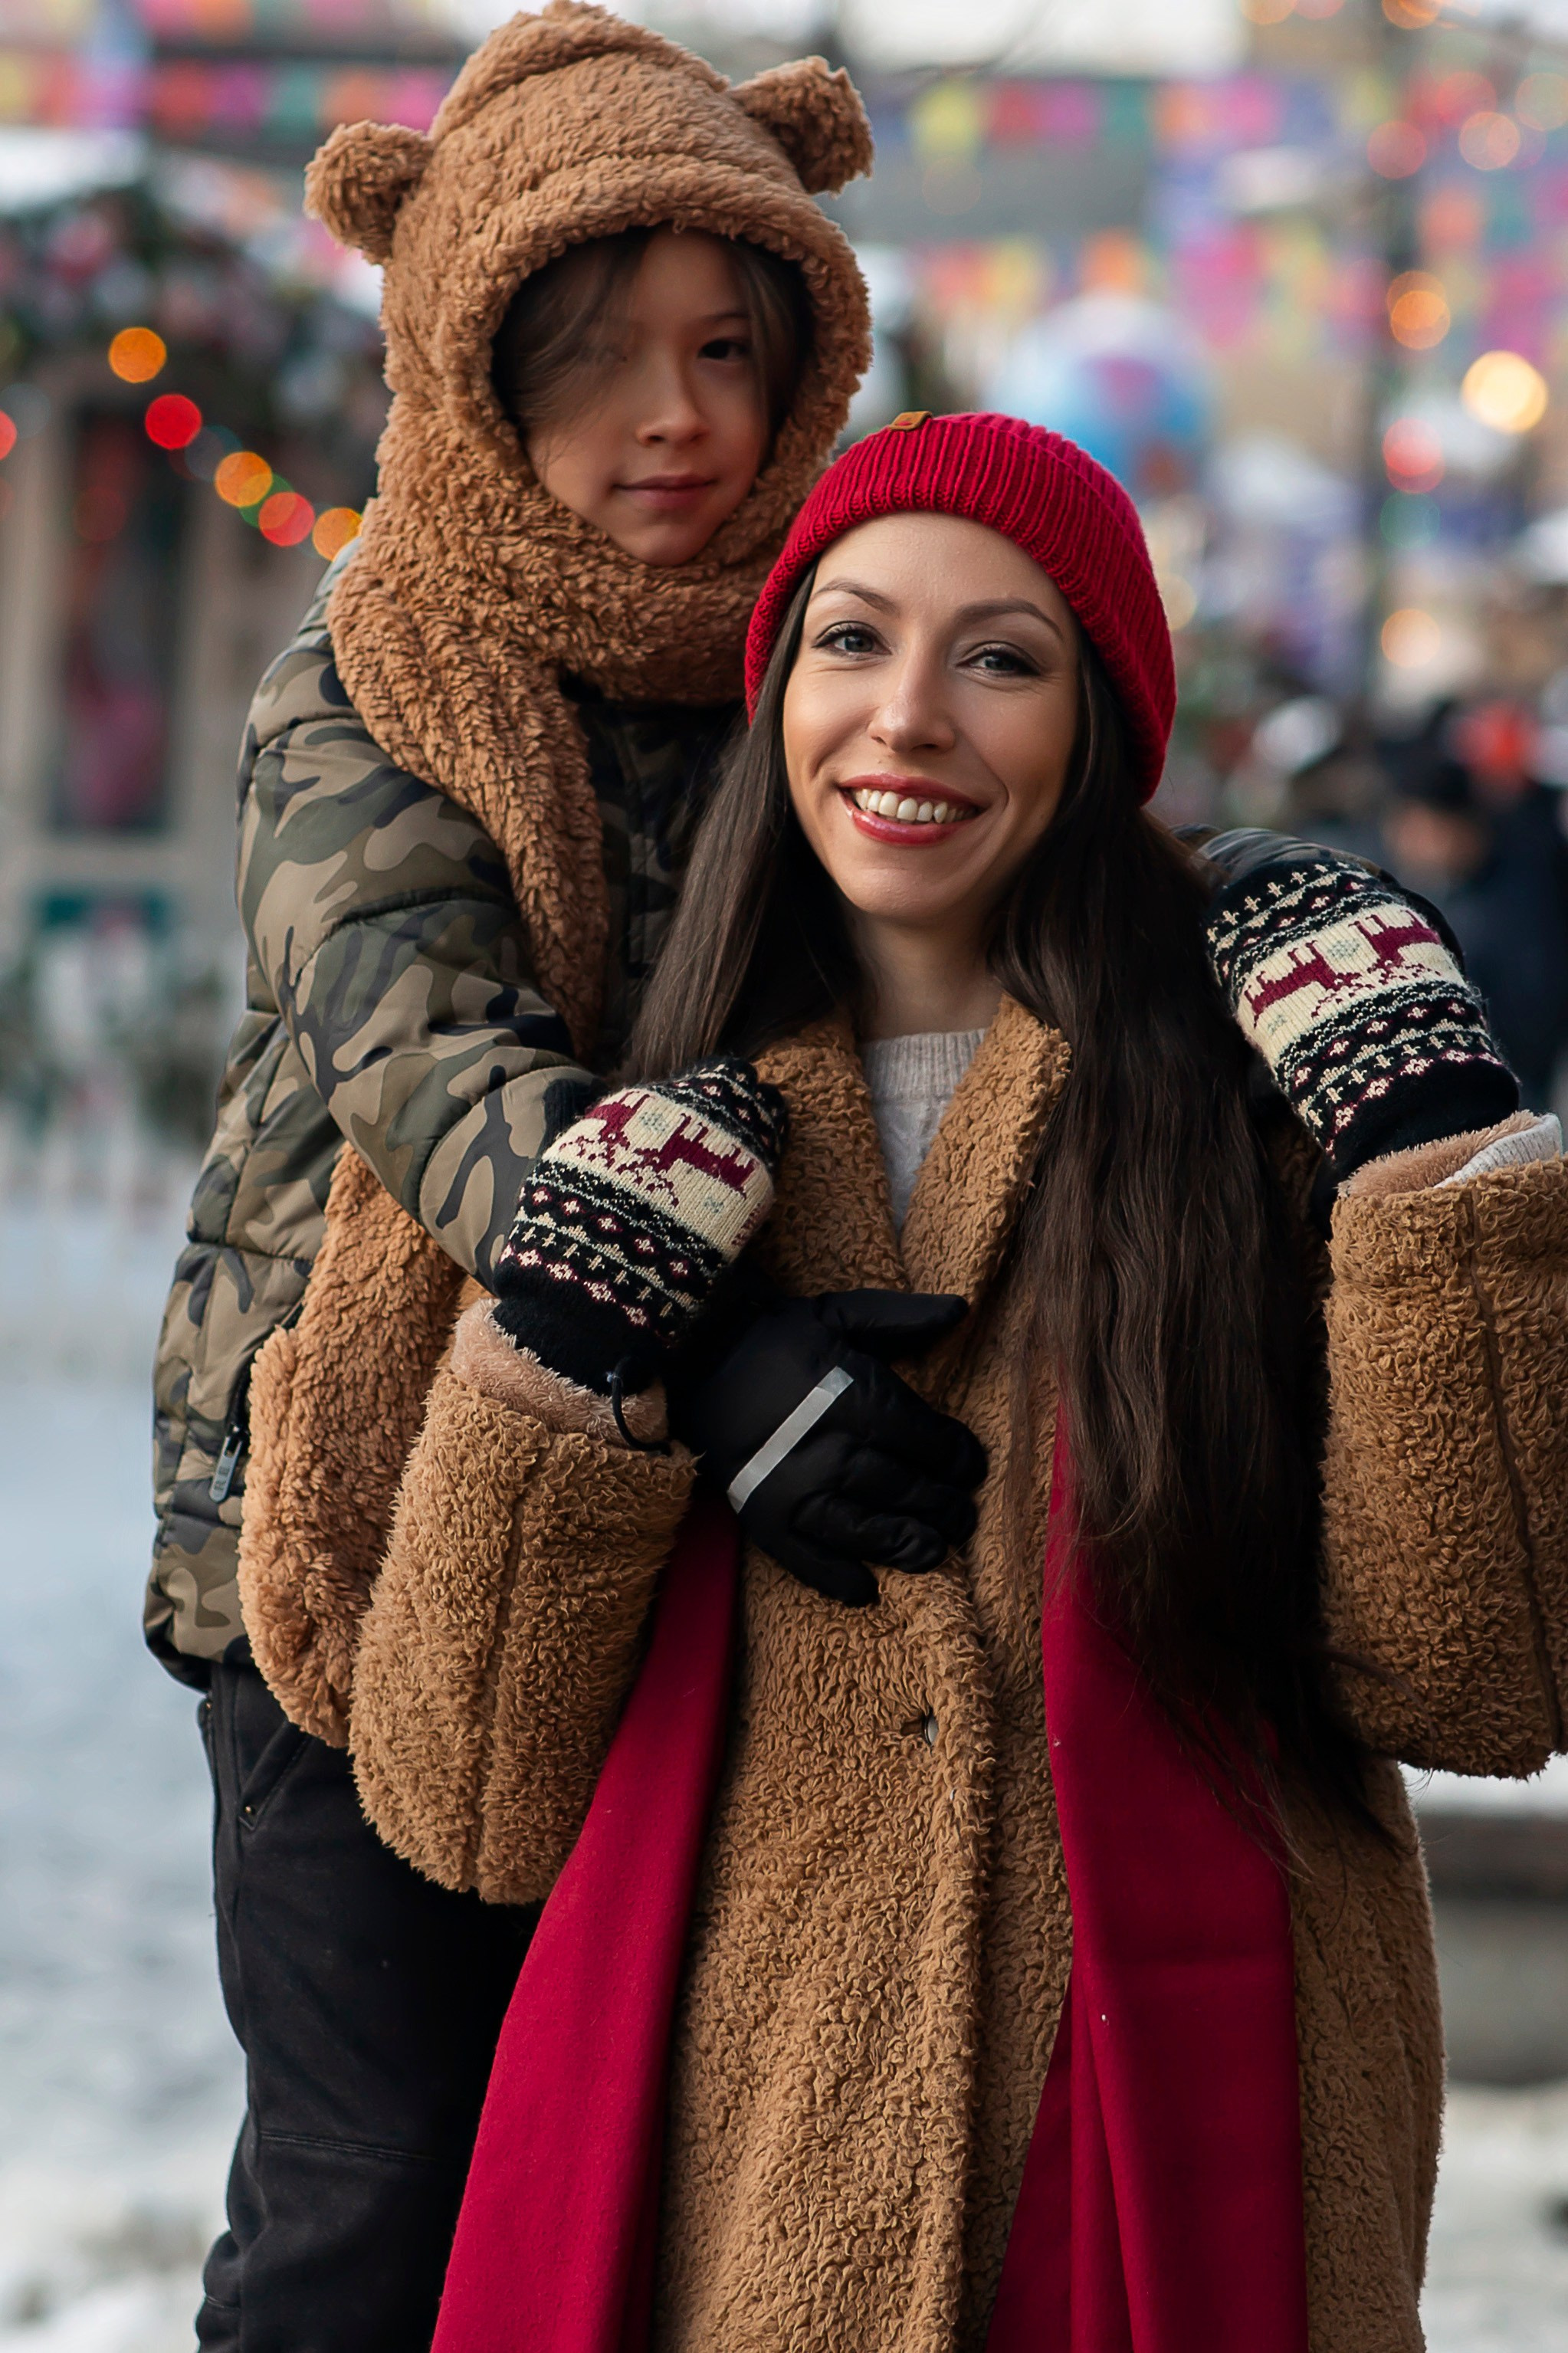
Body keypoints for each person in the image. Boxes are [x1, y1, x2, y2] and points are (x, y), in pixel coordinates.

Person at [346, 414, 1567, 2352]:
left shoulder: (1248, 1118)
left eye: (1001, 657)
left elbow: (1479, 1681)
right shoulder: (650, 1141)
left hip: (1194, 2159)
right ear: (779, 689)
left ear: (1100, 730)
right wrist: (576, 1352)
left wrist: (1428, 1159)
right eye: (851, 639)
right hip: (737, 2192)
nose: (907, 716)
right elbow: (466, 1794)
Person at [144, 15, 996, 2348]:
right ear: (461, 345)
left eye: (733, 349)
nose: (678, 419)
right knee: (376, 2186)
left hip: (676, 1526)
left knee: (634, 2165)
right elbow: (427, 1050)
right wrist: (718, 1348)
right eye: (598, 355)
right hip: (350, 1496)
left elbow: (1014, 888)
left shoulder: (827, 658)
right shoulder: (372, 665)